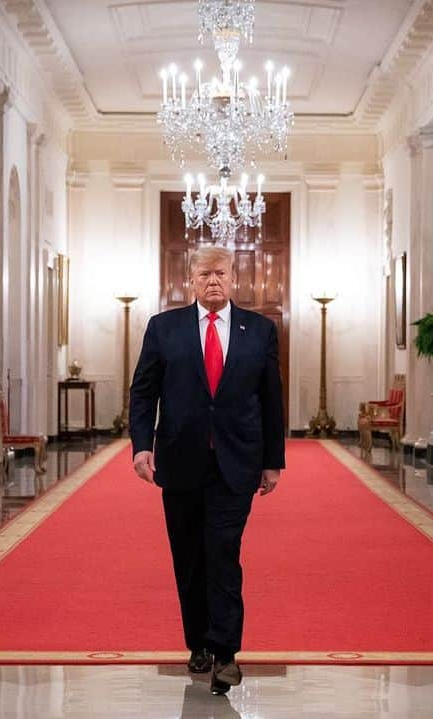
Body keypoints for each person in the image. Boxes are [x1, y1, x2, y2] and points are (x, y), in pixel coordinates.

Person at [129, 244, 285, 695]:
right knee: (189, 558)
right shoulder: (164, 328)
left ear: (234, 278)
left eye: (220, 273)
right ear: (190, 280)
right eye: (204, 274)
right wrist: (142, 447)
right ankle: (196, 641)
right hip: (179, 461)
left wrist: (273, 461)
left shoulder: (259, 330)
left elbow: (272, 400)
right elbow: (143, 393)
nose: (213, 281)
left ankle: (226, 653)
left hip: (236, 463)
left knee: (222, 551)